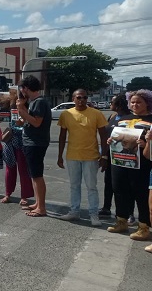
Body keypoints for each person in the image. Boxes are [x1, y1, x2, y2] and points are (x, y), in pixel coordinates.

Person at [57, 89, 109, 227]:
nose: (82, 100)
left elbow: (104, 136)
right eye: (79, 97)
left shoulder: (96, 114)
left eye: (85, 97)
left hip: (91, 156)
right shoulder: (66, 114)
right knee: (74, 186)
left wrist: (104, 155)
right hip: (72, 156)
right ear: (73, 99)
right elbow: (62, 136)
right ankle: (74, 211)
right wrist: (59, 156)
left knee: (91, 186)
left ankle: (93, 214)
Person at [106, 89, 152, 245]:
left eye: (139, 102)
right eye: (132, 102)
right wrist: (111, 141)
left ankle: (144, 226)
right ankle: (121, 221)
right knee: (119, 191)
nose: (135, 104)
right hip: (120, 161)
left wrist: (146, 144)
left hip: (142, 164)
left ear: (147, 103)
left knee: (141, 194)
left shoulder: (151, 120)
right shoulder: (122, 119)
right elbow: (116, 137)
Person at [17, 75, 52, 217]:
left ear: (26, 88)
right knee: (33, 174)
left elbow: (37, 122)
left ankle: (41, 207)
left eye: (22, 88)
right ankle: (38, 203)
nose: (22, 92)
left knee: (37, 175)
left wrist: (22, 111)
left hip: (35, 143)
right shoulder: (33, 102)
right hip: (31, 142)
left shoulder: (39, 102)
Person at [100, 94, 135, 222]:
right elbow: (106, 135)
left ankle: (129, 212)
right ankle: (106, 208)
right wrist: (103, 155)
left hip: (126, 156)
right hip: (111, 155)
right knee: (109, 182)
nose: (110, 104)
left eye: (112, 102)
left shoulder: (131, 118)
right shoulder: (112, 116)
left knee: (126, 186)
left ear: (119, 104)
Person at [0, 92, 33, 205]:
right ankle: (7, 193)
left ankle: (25, 196)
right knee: (10, 168)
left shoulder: (29, 108)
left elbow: (29, 122)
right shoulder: (10, 107)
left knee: (24, 169)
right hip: (10, 139)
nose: (19, 100)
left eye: (21, 98)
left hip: (23, 140)